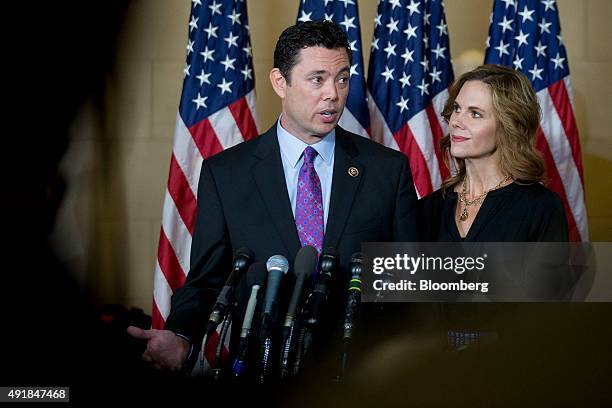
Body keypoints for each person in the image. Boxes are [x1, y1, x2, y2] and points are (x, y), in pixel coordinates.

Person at [128, 20, 419, 374]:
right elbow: (208, 280)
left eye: (342, 78)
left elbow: (410, 281)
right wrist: (181, 334)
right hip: (260, 370)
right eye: (317, 79)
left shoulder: (387, 170)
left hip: (361, 373)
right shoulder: (227, 174)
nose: (333, 93)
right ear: (280, 82)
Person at [419, 64, 568, 242]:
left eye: (475, 114)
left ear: (509, 126)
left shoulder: (541, 207)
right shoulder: (427, 208)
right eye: (457, 108)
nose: (456, 121)